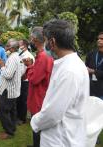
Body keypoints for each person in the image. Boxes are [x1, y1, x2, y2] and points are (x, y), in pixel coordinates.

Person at [30, 19, 89, 147]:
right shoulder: (69, 64)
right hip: (63, 134)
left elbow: (53, 114)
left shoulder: (69, 71)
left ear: (52, 42)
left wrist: (35, 121)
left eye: (45, 40)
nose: (44, 44)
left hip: (61, 139)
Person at [24, 27, 53, 147]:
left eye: (31, 38)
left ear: (34, 39)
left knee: (37, 126)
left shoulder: (43, 57)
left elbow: (34, 79)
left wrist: (30, 67)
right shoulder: (44, 54)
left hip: (39, 97)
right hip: (41, 95)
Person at [0, 39, 23, 140]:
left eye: (7, 46)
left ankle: (9, 132)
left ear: (12, 48)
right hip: (13, 89)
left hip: (9, 90)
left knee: (3, 111)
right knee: (12, 110)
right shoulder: (16, 56)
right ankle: (12, 128)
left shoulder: (13, 58)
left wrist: (2, 66)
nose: (5, 48)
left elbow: (8, 75)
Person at [16, 39, 35, 125]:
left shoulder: (28, 56)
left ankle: (22, 118)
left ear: (25, 46)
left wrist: (22, 77)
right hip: (19, 79)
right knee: (19, 99)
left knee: (23, 99)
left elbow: (29, 69)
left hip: (25, 81)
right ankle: (18, 116)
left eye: (19, 44)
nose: (18, 46)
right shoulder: (20, 54)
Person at [85, 32, 103, 100]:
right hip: (90, 90)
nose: (99, 40)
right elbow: (85, 68)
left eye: (102, 39)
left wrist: (93, 71)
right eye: (98, 39)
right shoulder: (91, 54)